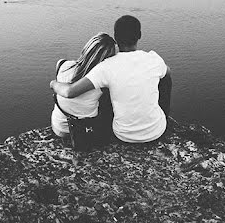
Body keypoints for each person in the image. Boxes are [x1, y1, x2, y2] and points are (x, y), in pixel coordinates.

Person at [50, 15, 172, 143]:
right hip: (157, 130)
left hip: (123, 135)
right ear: (140, 35)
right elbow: (168, 73)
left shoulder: (106, 66)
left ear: (116, 37)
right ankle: (163, 117)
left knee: (108, 88)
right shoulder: (154, 59)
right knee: (164, 78)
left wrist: (53, 83)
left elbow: (70, 91)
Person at [50, 32, 117, 138]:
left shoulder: (61, 65)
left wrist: (53, 83)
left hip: (58, 128)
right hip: (85, 131)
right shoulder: (102, 81)